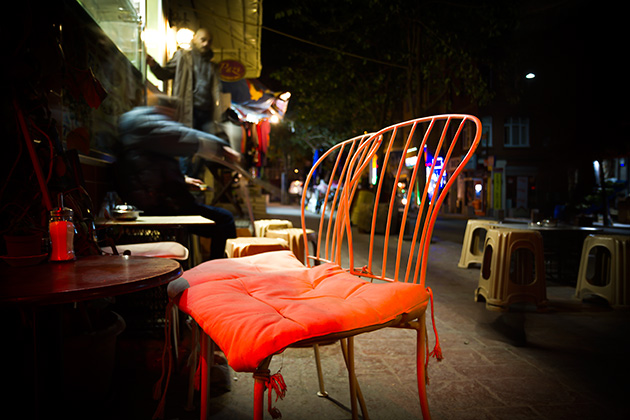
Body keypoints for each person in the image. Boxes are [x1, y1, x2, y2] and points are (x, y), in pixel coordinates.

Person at [114, 96, 239, 260]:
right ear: (163, 109)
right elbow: (179, 136)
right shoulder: (143, 122)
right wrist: (220, 147)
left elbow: (150, 164)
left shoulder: (141, 128)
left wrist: (184, 179)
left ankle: (213, 267)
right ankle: (215, 270)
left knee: (221, 219)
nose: (171, 119)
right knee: (225, 220)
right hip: (161, 204)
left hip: (158, 199)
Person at [147, 28, 225, 178]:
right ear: (194, 38)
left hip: (207, 112)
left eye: (209, 41)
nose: (206, 43)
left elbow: (215, 92)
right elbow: (164, 74)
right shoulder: (183, 56)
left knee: (209, 148)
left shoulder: (212, 66)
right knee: (187, 146)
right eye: (203, 39)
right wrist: (152, 64)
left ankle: (193, 176)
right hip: (189, 109)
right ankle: (186, 178)